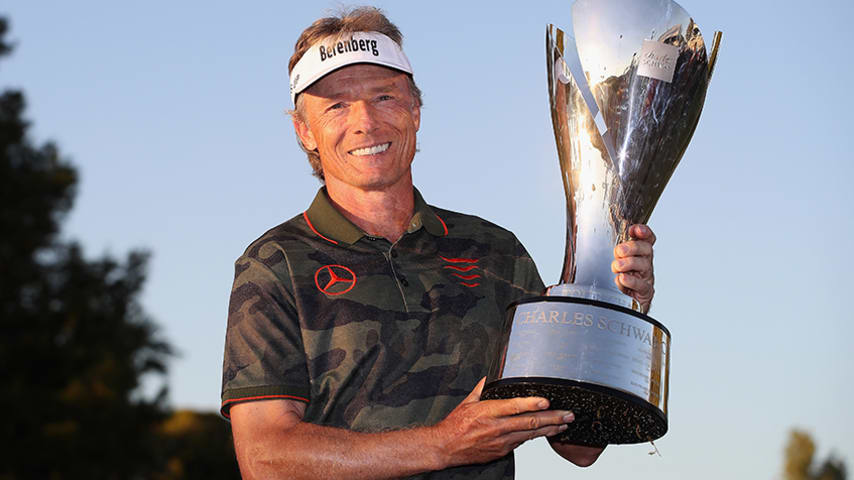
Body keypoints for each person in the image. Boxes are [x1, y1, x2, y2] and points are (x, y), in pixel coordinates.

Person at [221, 7, 656, 480]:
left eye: (384, 96)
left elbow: (578, 447)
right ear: (304, 131)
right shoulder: (275, 264)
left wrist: (614, 310)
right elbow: (266, 458)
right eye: (336, 105)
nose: (365, 121)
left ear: (415, 111)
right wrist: (445, 444)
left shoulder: (496, 253)